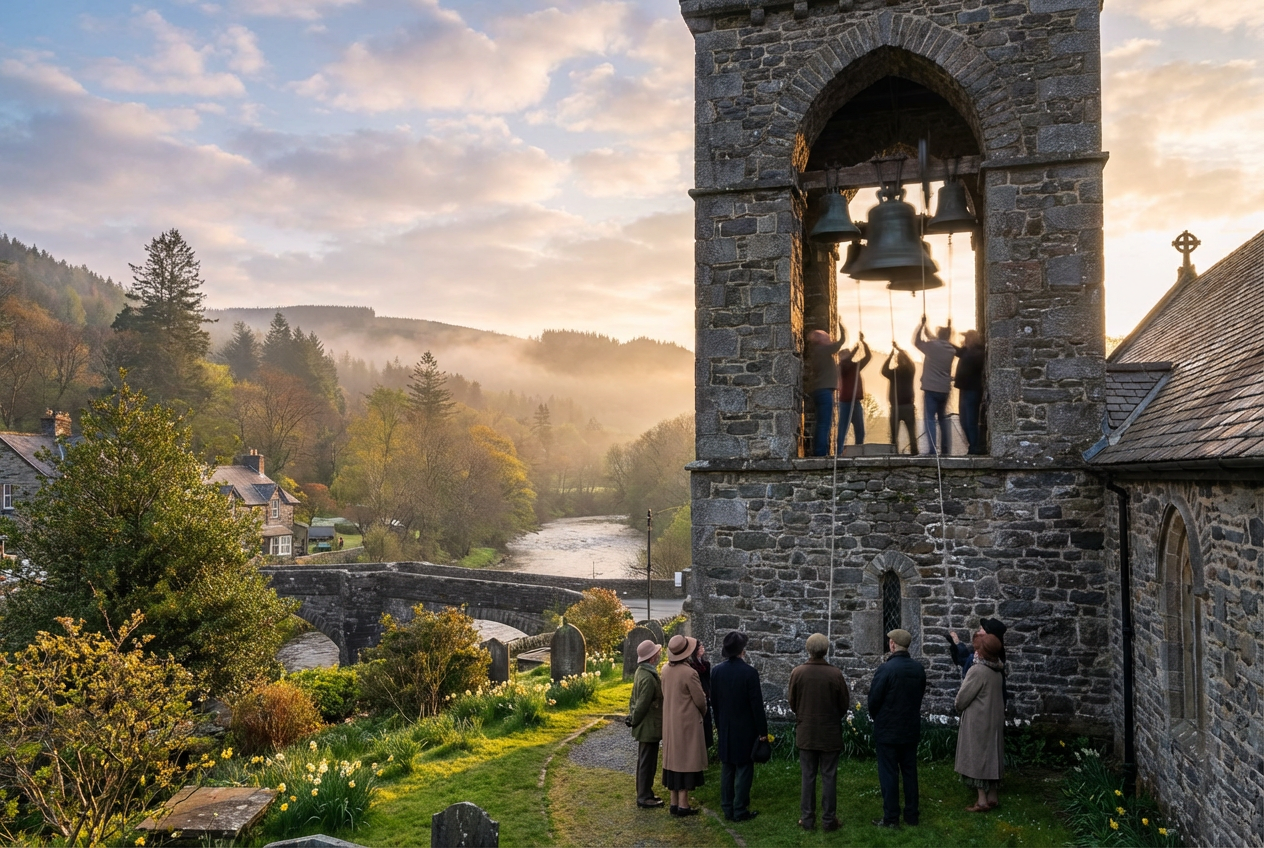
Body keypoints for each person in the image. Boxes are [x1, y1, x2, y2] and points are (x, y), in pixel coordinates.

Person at [788, 633, 849, 832]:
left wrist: (805, 715)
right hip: (829, 732)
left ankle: (807, 819)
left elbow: (793, 703)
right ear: (825, 650)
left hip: (807, 731)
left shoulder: (798, 673)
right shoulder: (835, 674)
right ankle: (829, 820)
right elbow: (843, 705)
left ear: (808, 650)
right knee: (829, 776)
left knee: (808, 775)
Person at [868, 628, 927, 828]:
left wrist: (879, 717)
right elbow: (919, 696)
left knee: (889, 773)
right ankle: (912, 815)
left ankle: (891, 817)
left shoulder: (886, 669)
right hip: (909, 728)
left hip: (888, 730)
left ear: (893, 644)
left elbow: (874, 700)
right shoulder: (918, 669)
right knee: (910, 772)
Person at [710, 631, 768, 822]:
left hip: (725, 726)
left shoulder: (717, 671)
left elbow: (715, 703)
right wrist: (762, 732)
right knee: (743, 767)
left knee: (727, 767)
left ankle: (727, 807)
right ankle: (740, 809)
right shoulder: (749, 673)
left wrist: (718, 724)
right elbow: (756, 705)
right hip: (745, 728)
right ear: (742, 650)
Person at [954, 632, 1006, 812]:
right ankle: (993, 795)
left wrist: (958, 707)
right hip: (994, 719)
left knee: (977, 755)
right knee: (991, 754)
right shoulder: (997, 670)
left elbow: (962, 699)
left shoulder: (978, 670)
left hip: (978, 720)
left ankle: (982, 800)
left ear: (983, 652)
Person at [661, 635, 708, 817]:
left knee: (672, 760)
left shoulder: (665, 670)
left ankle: (674, 802)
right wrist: (702, 713)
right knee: (685, 762)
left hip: (670, 721)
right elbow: (700, 700)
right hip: (686, 723)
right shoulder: (689, 673)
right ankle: (683, 804)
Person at [628, 639, 664, 809]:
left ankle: (646, 792)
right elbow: (642, 704)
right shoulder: (648, 677)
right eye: (657, 652)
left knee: (647, 761)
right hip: (648, 725)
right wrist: (634, 719)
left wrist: (633, 717)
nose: (659, 654)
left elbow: (633, 700)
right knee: (647, 762)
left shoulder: (641, 671)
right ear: (651, 658)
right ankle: (643, 797)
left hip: (646, 725)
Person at [913, 317, 958, 455]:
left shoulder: (933, 346)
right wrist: (928, 327)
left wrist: (921, 325)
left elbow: (917, 342)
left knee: (930, 419)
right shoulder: (951, 349)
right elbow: (934, 339)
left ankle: (932, 449)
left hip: (931, 388)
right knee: (943, 419)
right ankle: (945, 450)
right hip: (944, 389)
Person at [807, 322, 847, 456]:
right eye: (826, 337)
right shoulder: (821, 350)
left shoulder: (818, 351)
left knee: (822, 423)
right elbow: (840, 342)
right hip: (824, 391)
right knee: (824, 423)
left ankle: (820, 451)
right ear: (819, 340)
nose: (829, 339)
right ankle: (820, 453)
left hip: (820, 390)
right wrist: (841, 325)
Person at [836, 333, 872, 447]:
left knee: (860, 430)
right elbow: (846, 364)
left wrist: (863, 343)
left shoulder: (856, 366)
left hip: (856, 402)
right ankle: (840, 450)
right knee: (842, 430)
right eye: (844, 354)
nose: (846, 356)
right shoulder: (841, 367)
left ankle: (859, 450)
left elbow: (868, 357)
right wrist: (856, 349)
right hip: (845, 402)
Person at [881, 344, 918, 454]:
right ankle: (914, 454)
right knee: (912, 434)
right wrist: (899, 349)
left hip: (896, 407)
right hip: (908, 406)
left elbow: (884, 370)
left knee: (893, 436)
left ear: (896, 361)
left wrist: (890, 356)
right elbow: (910, 362)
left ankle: (894, 454)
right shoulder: (910, 371)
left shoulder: (894, 373)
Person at [954, 329, 986, 455]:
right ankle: (973, 446)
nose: (964, 340)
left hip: (972, 391)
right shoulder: (967, 351)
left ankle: (975, 447)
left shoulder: (978, 352)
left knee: (970, 422)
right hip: (964, 390)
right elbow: (956, 350)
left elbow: (971, 360)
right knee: (963, 421)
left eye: (967, 338)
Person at [685, 640, 714, 751]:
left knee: (707, 723)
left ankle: (706, 749)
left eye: (702, 646)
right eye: (699, 647)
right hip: (697, 695)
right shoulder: (692, 666)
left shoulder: (704, 664)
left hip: (706, 694)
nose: (702, 648)